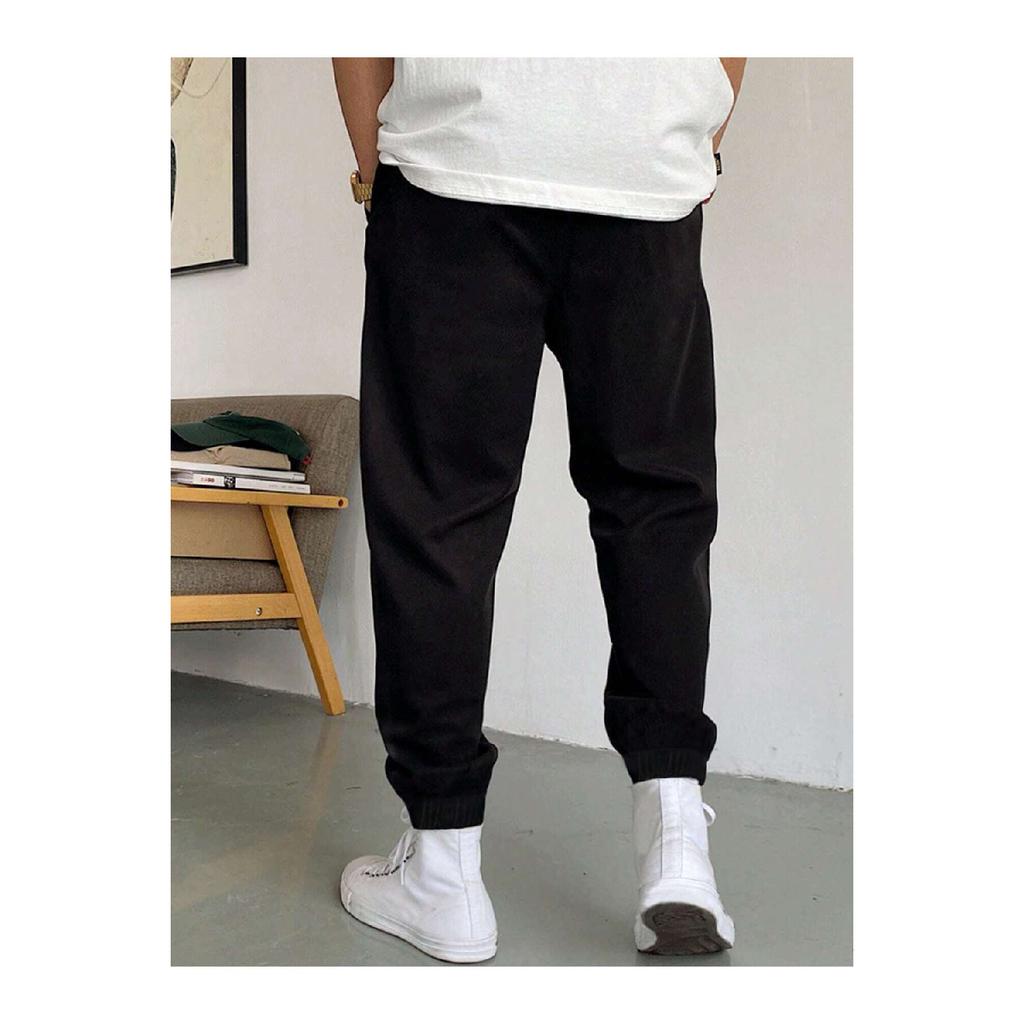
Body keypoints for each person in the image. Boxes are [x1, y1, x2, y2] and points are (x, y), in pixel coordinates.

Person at [331, 57, 746, 963]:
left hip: (457, 160)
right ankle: (676, 839)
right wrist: (679, 130)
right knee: (657, 505)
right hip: (645, 163)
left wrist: (378, 169)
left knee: (439, 513)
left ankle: (443, 866)